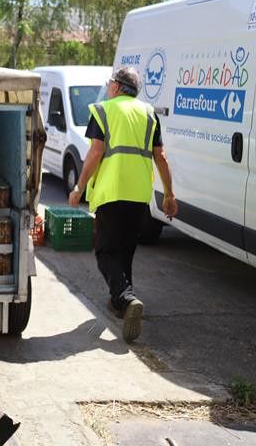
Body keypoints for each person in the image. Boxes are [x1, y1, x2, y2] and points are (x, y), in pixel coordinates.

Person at [68, 65, 178, 343]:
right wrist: (168, 194)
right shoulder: (149, 113)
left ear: (116, 86)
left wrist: (79, 186)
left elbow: (95, 153)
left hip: (111, 191)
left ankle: (126, 299)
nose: (107, 87)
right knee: (125, 250)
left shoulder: (103, 110)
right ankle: (121, 305)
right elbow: (160, 156)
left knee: (105, 251)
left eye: (109, 83)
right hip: (139, 194)